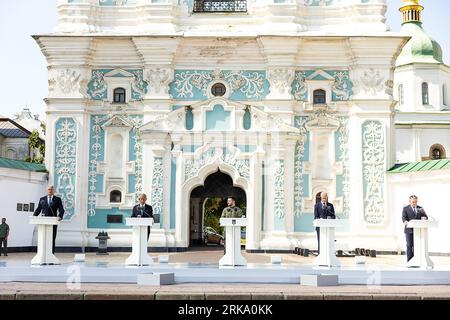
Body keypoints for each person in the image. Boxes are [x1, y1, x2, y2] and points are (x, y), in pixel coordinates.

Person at [33, 185, 65, 254]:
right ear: (47, 190)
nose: (50, 191)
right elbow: (39, 209)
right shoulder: (42, 199)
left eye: (51, 189)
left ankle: (51, 254)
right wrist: (34, 216)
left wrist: (60, 216)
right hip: (44, 221)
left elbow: (61, 209)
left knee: (52, 238)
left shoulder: (57, 199)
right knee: (43, 238)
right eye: (48, 189)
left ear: (53, 190)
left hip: (53, 222)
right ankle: (43, 253)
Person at [402, 195, 428, 262]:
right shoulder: (405, 208)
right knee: (409, 245)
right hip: (409, 230)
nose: (414, 203)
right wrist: (405, 221)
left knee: (417, 245)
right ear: (409, 201)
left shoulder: (420, 208)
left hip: (418, 230)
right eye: (413, 202)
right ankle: (409, 261)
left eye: (415, 202)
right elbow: (403, 217)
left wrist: (424, 219)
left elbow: (426, 217)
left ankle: (416, 260)